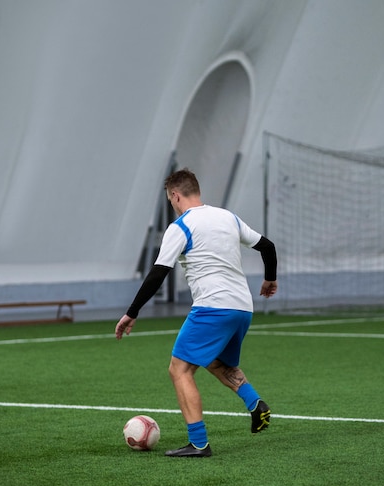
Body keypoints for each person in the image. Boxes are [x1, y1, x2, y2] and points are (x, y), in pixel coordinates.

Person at [115, 168, 277, 457]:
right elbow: (267, 246)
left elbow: (158, 273)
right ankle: (255, 404)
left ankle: (198, 443)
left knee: (179, 369)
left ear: (175, 196)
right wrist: (270, 279)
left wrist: (132, 312)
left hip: (213, 308)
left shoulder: (181, 226)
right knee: (214, 361)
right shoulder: (228, 217)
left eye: (170, 200)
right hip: (242, 308)